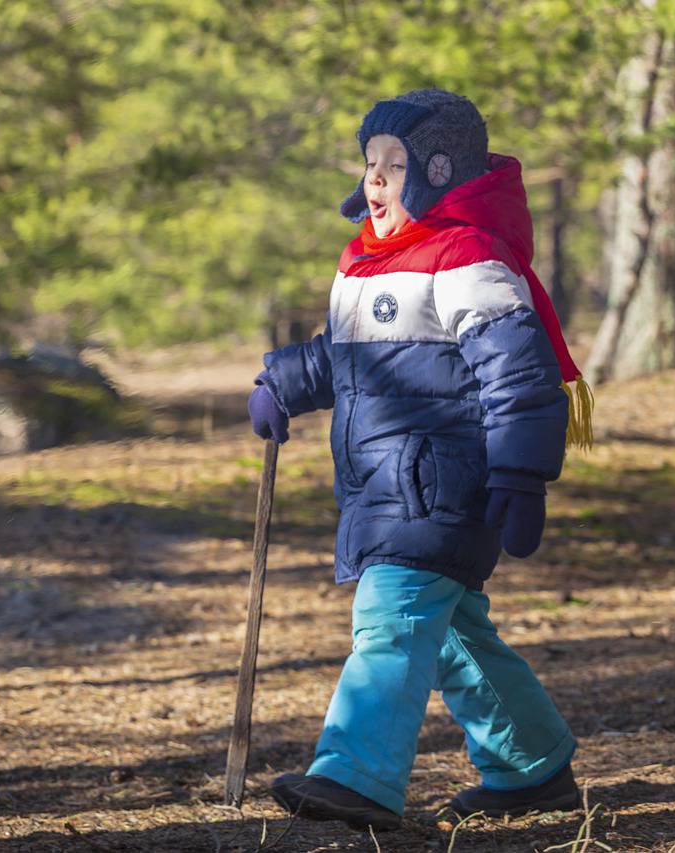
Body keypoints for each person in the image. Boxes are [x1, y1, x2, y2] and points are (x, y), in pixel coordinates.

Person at [247, 89, 593, 831]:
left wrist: (522, 472)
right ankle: (532, 764)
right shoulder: (367, 264)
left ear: (440, 172)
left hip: (443, 483)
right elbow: (348, 359)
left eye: (395, 165)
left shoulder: (466, 258)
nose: (375, 180)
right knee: (457, 636)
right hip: (385, 485)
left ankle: (357, 775)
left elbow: (518, 372)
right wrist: (283, 380)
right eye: (370, 162)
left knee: (393, 620)